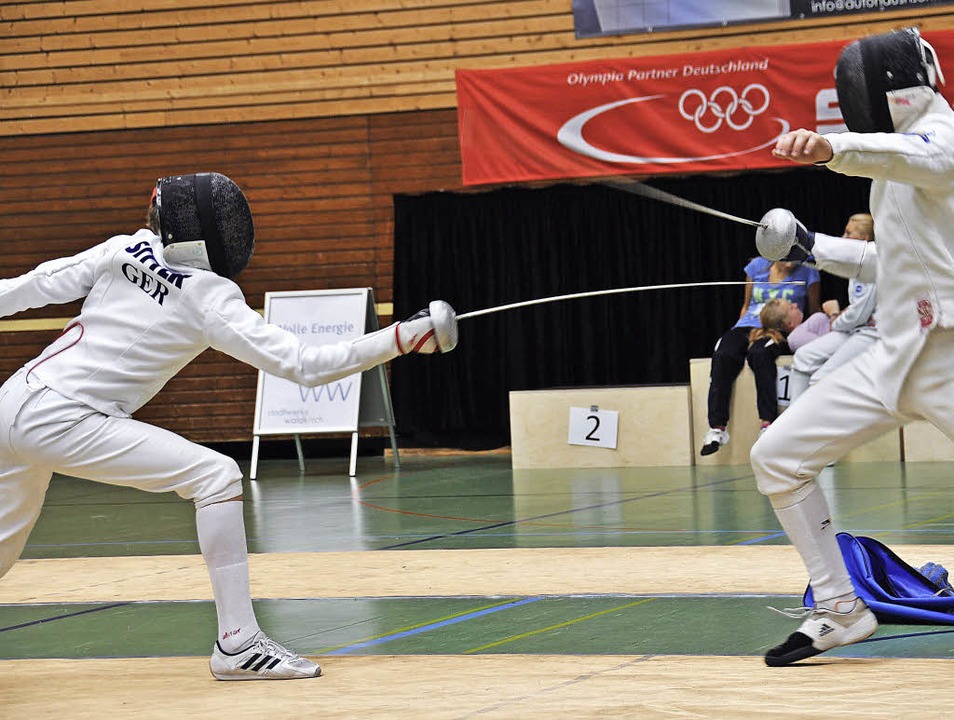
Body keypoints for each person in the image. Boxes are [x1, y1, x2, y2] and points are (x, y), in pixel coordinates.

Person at [0, 172, 459, 680]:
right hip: (64, 419)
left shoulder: (124, 248)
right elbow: (306, 365)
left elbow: (33, 285)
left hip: (13, 400)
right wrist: (399, 339)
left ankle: (240, 645)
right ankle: (238, 644)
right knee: (215, 476)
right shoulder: (209, 296)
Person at [750, 26, 952, 666]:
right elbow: (893, 259)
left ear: (883, 89)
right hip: (894, 357)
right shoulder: (894, 163)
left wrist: (829, 146)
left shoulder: (937, 139)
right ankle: (841, 608)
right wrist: (813, 247)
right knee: (778, 456)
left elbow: (920, 156)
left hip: (950, 356)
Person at [700, 256, 820, 456]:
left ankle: (767, 423)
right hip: (748, 324)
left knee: (760, 353)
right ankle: (717, 428)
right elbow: (746, 306)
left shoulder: (808, 271)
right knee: (724, 354)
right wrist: (739, 334)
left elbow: (813, 308)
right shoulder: (756, 267)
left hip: (780, 326)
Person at [787, 214, 877, 403]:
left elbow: (859, 314)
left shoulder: (874, 264)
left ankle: (814, 429)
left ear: (864, 239)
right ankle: (795, 424)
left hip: (874, 334)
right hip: (855, 330)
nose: (843, 238)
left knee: (821, 381)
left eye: (848, 233)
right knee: (803, 358)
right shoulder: (855, 266)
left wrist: (836, 318)